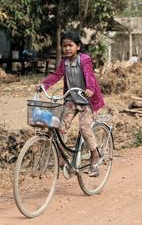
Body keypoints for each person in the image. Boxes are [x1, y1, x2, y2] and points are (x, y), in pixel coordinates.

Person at [38, 31, 105, 177]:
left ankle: (94, 156)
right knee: (60, 127)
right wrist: (44, 85)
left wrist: (90, 89)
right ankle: (63, 158)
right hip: (72, 98)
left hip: (88, 100)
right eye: (64, 46)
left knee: (84, 127)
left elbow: (89, 75)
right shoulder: (65, 62)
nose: (67, 48)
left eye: (70, 45)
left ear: (78, 46)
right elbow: (57, 75)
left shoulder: (84, 59)